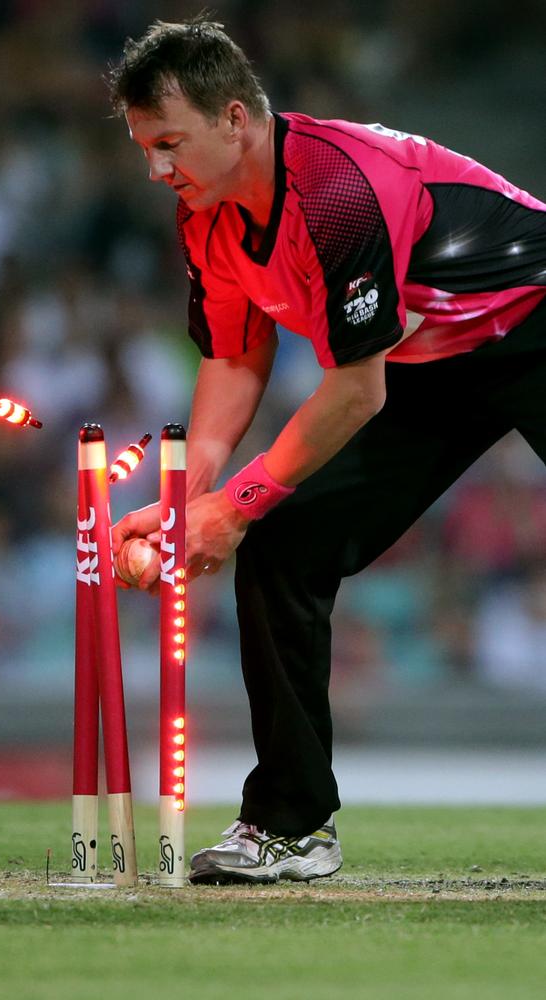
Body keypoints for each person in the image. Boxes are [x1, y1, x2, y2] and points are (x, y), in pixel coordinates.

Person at [108, 18, 546, 884]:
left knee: (256, 522)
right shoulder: (207, 215)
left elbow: (355, 391)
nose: (156, 170)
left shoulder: (337, 189)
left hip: (536, 320)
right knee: (284, 546)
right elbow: (235, 357)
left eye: (168, 143)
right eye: (144, 149)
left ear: (235, 118)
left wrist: (230, 508)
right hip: (430, 356)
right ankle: (290, 825)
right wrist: (187, 495)